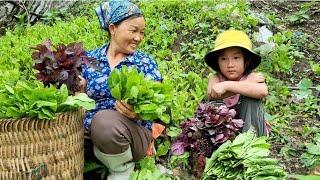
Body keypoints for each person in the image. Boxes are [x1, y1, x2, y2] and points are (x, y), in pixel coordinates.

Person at [79, 1, 165, 179]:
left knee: (104, 121)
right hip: (86, 136)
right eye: (134, 31)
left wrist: (139, 113)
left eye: (142, 33)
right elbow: (77, 97)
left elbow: (161, 108)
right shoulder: (89, 59)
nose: (138, 38)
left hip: (131, 136)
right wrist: (77, 92)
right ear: (112, 28)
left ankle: (122, 171)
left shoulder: (145, 63)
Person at [204, 30, 269, 136]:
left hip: (249, 129)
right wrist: (246, 84)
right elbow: (212, 93)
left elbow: (262, 91)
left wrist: (226, 85)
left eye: (236, 58)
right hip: (223, 133)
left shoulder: (252, 77)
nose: (230, 64)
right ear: (218, 62)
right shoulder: (215, 78)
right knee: (215, 105)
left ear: (246, 61)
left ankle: (251, 143)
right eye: (224, 59)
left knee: (252, 99)